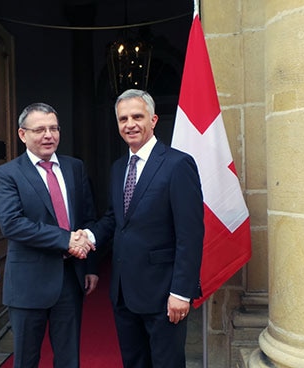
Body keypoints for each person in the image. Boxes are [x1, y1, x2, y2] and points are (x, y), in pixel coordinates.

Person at [88, 89, 204, 368]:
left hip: (164, 294)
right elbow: (116, 219)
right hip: (124, 293)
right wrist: (88, 236)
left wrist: (181, 292)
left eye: (137, 116)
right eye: (123, 118)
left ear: (153, 120)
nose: (130, 124)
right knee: (135, 363)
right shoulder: (119, 168)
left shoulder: (178, 164)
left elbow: (190, 234)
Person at [0, 102, 98, 368]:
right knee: (26, 359)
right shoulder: (8, 174)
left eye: (53, 128)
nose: (48, 135)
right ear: (22, 134)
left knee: (68, 359)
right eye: (40, 129)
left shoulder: (75, 167)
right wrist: (65, 239)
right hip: (28, 283)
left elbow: (88, 218)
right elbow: (12, 224)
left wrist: (90, 266)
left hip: (70, 279)